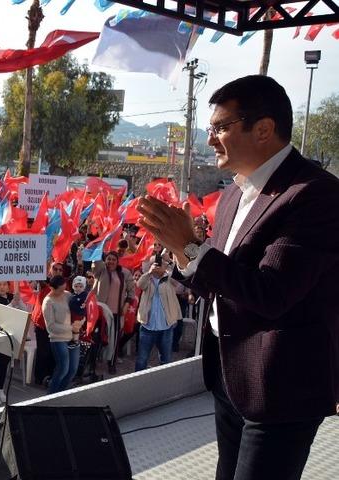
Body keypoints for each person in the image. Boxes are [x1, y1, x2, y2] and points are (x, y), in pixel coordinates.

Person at [137, 75, 339, 480]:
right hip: (229, 376)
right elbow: (219, 280)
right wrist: (181, 250)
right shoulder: (232, 195)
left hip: (282, 388)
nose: (210, 139)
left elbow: (270, 293)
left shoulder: (316, 195)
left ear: (263, 129)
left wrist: (193, 248)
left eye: (221, 127)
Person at [90, 251, 135, 374]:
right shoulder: (101, 271)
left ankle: (111, 363)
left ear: (117, 261)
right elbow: (95, 264)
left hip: (116, 312)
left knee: (114, 339)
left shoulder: (125, 273)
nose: (110, 262)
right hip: (101, 311)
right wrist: (99, 248)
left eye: (113, 259)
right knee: (97, 338)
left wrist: (126, 305)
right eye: (108, 259)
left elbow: (131, 292)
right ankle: (91, 364)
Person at [133, 259, 181, 372]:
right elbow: (140, 284)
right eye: (155, 263)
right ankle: (137, 384)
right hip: (147, 326)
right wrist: (149, 272)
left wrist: (169, 264)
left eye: (160, 263)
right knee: (142, 359)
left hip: (166, 327)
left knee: (166, 359)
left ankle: (164, 383)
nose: (158, 266)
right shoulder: (147, 279)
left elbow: (178, 281)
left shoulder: (169, 279)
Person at [43, 275, 82, 394]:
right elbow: (51, 327)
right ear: (52, 288)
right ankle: (51, 395)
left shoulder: (67, 295)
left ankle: (60, 393)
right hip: (58, 339)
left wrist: (81, 321)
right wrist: (71, 327)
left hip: (73, 336)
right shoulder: (48, 302)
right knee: (63, 369)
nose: (63, 292)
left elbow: (78, 309)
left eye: (64, 289)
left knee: (73, 370)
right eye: (60, 290)